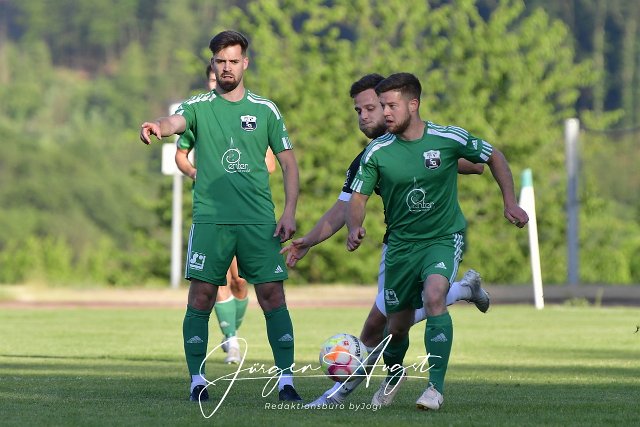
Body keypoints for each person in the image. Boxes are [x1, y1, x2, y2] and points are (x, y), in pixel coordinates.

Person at [280, 73, 489, 407]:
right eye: (358, 111)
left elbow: (467, 163)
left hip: (435, 240)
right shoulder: (369, 157)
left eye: (371, 108)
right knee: (390, 324)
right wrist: (309, 242)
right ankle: (464, 290)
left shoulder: (423, 137)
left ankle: (337, 397)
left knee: (378, 326)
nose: (364, 116)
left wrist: (452, 163)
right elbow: (342, 208)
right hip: (398, 247)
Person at [346, 72, 529, 411]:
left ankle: (435, 388)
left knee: (434, 297)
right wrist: (354, 227)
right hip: (400, 246)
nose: (385, 113)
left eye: (391, 106)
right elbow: (358, 198)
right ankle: (394, 374)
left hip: (443, 238)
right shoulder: (377, 152)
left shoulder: (447, 137)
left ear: (413, 104)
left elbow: (493, 157)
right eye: (382, 106)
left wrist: (510, 202)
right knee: (396, 327)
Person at [140, 30, 301, 403]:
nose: (226, 67)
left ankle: (286, 381)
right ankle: (197, 380)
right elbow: (174, 122)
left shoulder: (265, 109)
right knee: (201, 296)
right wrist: (158, 126)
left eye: (233, 61)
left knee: (272, 296)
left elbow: (289, 164)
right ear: (212, 64)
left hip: (259, 221)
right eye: (220, 61)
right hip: (211, 220)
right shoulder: (199, 106)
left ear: (245, 63)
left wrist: (289, 211)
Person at [175, 64, 277, 365]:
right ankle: (232, 340)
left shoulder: (253, 115)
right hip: (213, 212)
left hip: (247, 213)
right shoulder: (198, 115)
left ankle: (231, 331)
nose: (215, 82)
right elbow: (181, 154)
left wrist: (241, 168)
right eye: (211, 78)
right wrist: (195, 172)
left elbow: (271, 164)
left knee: (240, 282)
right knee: (216, 279)